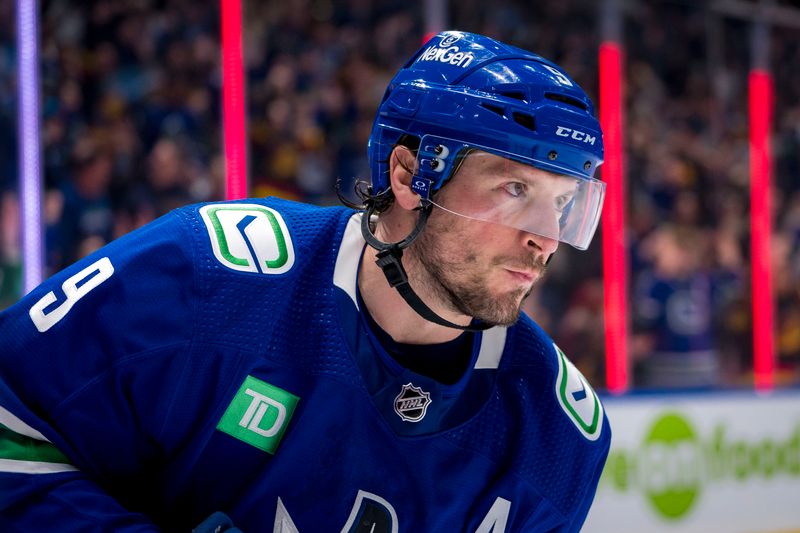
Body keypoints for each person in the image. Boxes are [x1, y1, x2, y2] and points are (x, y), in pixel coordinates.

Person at [0, 31, 610, 532]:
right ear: (408, 176)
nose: (546, 237)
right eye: (514, 190)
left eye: (563, 205)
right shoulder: (204, 276)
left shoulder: (555, 436)